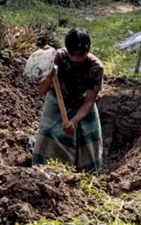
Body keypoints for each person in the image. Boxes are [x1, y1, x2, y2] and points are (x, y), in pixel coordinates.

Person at [33, 29, 105, 174]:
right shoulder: (57, 58)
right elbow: (41, 90)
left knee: (89, 140)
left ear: (88, 49)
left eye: (80, 56)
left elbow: (89, 102)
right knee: (47, 133)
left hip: (82, 101)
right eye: (72, 55)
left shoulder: (96, 67)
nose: (76, 60)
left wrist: (74, 121)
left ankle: (88, 177)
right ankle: (42, 172)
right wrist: (49, 76)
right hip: (57, 100)